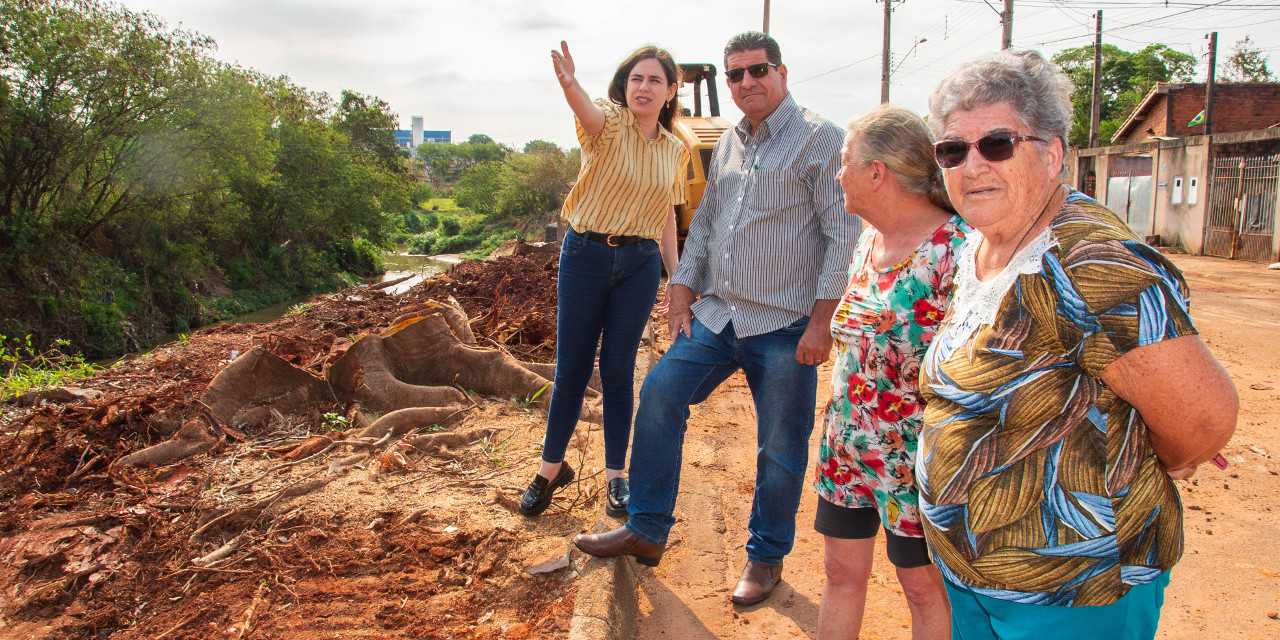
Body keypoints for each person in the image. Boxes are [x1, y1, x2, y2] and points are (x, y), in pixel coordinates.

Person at [916, 50, 1238, 640]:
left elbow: (1204, 416)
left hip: (1072, 588)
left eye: (997, 143)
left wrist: (1153, 455)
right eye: (952, 150)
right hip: (977, 573)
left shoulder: (1092, 261)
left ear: (1054, 152)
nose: (972, 164)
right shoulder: (983, 244)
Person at [573, 31, 861, 606]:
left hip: (785, 322)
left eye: (757, 71)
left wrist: (821, 322)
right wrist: (680, 292)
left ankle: (765, 556)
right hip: (719, 315)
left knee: (780, 444)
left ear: (781, 71)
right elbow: (703, 224)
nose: (746, 83)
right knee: (658, 393)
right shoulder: (728, 142)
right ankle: (648, 527)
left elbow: (841, 236)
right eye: (736, 75)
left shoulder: (822, 140)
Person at [813, 105, 966, 639]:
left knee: (924, 589)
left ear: (877, 172)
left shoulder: (958, 250)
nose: (839, 174)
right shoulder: (869, 238)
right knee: (838, 573)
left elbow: (976, 363)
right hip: (847, 444)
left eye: (845, 162)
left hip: (914, 457)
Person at [518, 42, 688, 519]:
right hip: (586, 254)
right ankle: (550, 470)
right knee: (572, 368)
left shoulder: (675, 150)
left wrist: (677, 281)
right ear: (625, 85)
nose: (644, 87)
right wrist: (570, 85)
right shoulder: (609, 124)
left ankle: (617, 476)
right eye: (637, 78)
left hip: (638, 265)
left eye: (655, 80)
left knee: (617, 371)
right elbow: (587, 113)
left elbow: (666, 221)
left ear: (670, 92)